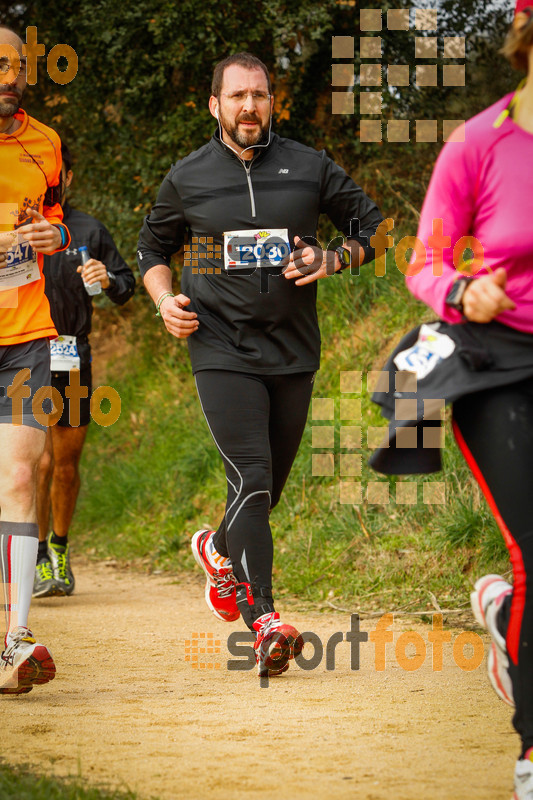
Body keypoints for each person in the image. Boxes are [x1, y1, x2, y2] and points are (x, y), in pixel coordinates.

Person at [137, 52, 384, 677]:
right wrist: (166, 300)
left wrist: (333, 258)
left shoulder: (308, 166)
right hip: (219, 347)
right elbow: (152, 247)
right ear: (214, 105)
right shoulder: (188, 176)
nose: (250, 106)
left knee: (267, 485)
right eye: (238, 96)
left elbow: (374, 227)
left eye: (260, 95)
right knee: (251, 473)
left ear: (272, 102)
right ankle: (265, 619)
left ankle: (216, 547)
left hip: (293, 350)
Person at [369, 4, 533, 796]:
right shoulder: (480, 143)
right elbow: (424, 259)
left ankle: (509, 625)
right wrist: (461, 290)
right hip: (495, 360)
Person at [0, 26, 71, 693]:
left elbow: (55, 215)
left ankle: (12, 639)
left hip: (24, 335)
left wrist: (56, 233)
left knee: (23, 476)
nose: (10, 74)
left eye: (18, 64)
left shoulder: (45, 141)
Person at [33, 142, 135, 599]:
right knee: (35, 462)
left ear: (68, 177)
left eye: (59, 172)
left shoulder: (90, 229)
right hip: (23, 355)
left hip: (72, 356)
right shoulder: (15, 229)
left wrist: (108, 278)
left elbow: (126, 287)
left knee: (65, 465)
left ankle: (58, 551)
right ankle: (32, 557)